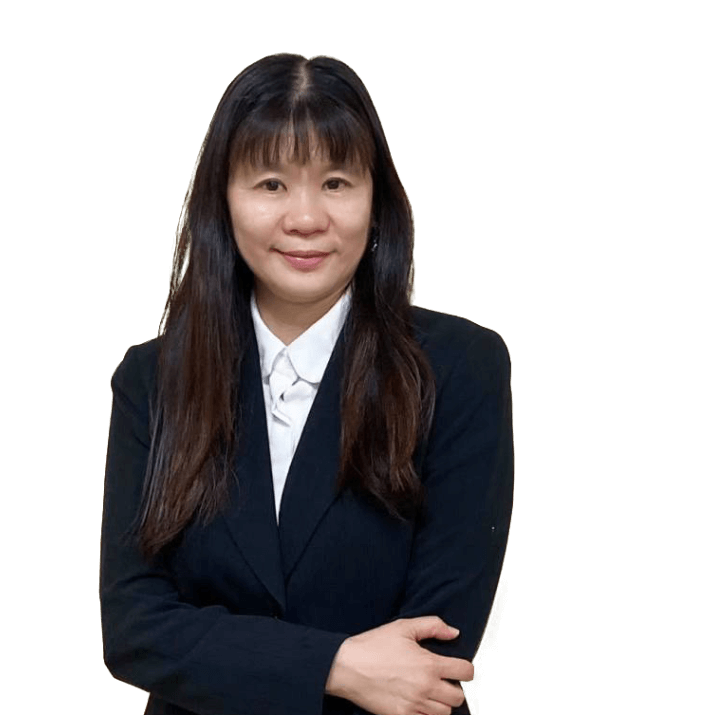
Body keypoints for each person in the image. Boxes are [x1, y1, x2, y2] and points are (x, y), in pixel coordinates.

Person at [101, 53, 514, 715]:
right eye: (270, 184)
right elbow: (135, 628)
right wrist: (336, 666)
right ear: (223, 201)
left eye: (336, 182)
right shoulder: (154, 380)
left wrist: (223, 654)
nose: (305, 218)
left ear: (376, 201)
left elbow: (435, 653)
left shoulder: (461, 367)